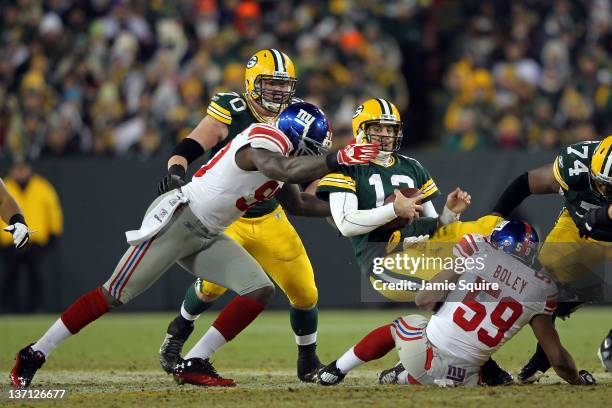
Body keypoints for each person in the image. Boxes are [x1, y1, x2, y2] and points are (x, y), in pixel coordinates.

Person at [10, 102, 380, 389]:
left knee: (259, 290)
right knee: (114, 295)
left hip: (209, 233)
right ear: (294, 137)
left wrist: (361, 211)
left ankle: (196, 360)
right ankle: (35, 352)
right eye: (311, 149)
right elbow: (283, 169)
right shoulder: (262, 142)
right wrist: (335, 159)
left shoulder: (283, 157)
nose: (312, 156)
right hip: (179, 220)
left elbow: (298, 204)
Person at [157, 49, 329, 382]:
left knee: (305, 292)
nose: (278, 93)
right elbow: (194, 143)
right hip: (227, 218)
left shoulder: (293, 117)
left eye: (284, 86)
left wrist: (329, 204)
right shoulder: (233, 108)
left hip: (270, 216)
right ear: (252, 83)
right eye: (271, 84)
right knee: (209, 288)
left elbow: (307, 175)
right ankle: (178, 332)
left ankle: (308, 359)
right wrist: (176, 170)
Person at [315, 98, 512, 385]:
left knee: (474, 279)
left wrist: (448, 213)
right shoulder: (348, 168)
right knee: (450, 296)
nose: (386, 135)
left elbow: (436, 229)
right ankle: (484, 366)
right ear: (361, 130)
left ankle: (374, 367)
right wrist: (394, 210)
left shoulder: (412, 167)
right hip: (383, 262)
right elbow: (346, 224)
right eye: (378, 129)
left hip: (421, 254)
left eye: (390, 129)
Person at [317, 221, 597, 387]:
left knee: (405, 325)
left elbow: (424, 299)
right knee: (460, 367)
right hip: (466, 375)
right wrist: (578, 380)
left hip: (425, 357)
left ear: (499, 240)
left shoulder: (479, 251)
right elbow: (558, 359)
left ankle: (337, 369)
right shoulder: (542, 288)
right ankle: (403, 376)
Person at [490, 135, 612, 383]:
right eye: (601, 183)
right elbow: (528, 183)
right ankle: (544, 353)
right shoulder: (576, 164)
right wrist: (495, 215)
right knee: (544, 281)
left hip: (601, 226)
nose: (604, 191)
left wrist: (602, 216)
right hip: (579, 226)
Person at [1, 159, 62, 313]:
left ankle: (37, 308)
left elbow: (53, 211)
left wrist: (53, 233)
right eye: (17, 169)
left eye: (23, 168)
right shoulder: (7, 185)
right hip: (9, 241)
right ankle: (7, 308)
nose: (20, 172)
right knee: (9, 276)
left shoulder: (42, 187)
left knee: (37, 276)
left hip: (35, 239)